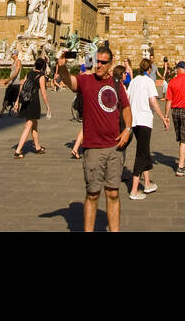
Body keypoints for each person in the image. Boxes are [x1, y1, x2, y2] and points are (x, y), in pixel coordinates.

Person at [68, 45, 132, 231]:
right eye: (97, 61)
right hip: (93, 148)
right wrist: (62, 67)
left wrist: (127, 129)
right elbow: (71, 83)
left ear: (110, 64)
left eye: (104, 62)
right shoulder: (86, 81)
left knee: (113, 193)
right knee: (92, 194)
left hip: (114, 147)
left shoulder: (117, 84)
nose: (99, 65)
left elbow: (126, 107)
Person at [127, 58, 169, 200]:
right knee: (141, 153)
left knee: (144, 150)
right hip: (145, 121)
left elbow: (127, 99)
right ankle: (134, 190)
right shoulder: (149, 82)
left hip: (134, 121)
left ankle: (148, 183)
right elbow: (153, 102)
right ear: (150, 69)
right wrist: (163, 118)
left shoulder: (133, 82)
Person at [13, 57, 51, 157]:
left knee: (34, 124)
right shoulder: (41, 76)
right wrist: (48, 106)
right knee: (28, 125)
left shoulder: (29, 73)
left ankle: (37, 147)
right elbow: (43, 92)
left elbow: (22, 85)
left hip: (26, 101)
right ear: (43, 66)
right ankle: (18, 151)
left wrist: (17, 101)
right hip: (33, 102)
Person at [0, 51, 24, 116]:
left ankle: (17, 113)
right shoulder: (14, 62)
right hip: (12, 83)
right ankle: (2, 111)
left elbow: (16, 73)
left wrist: (8, 80)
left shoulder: (18, 62)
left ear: (15, 55)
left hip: (15, 83)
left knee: (15, 98)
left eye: (12, 54)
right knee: (7, 97)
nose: (11, 55)